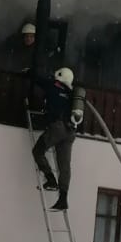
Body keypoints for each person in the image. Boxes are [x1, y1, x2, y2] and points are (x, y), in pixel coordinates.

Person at [30, 65, 81, 212]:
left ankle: (50, 179)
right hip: (71, 131)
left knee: (38, 151)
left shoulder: (54, 85)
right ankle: (63, 199)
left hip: (57, 127)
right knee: (64, 166)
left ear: (60, 76)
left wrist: (29, 72)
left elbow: (39, 80)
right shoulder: (72, 94)